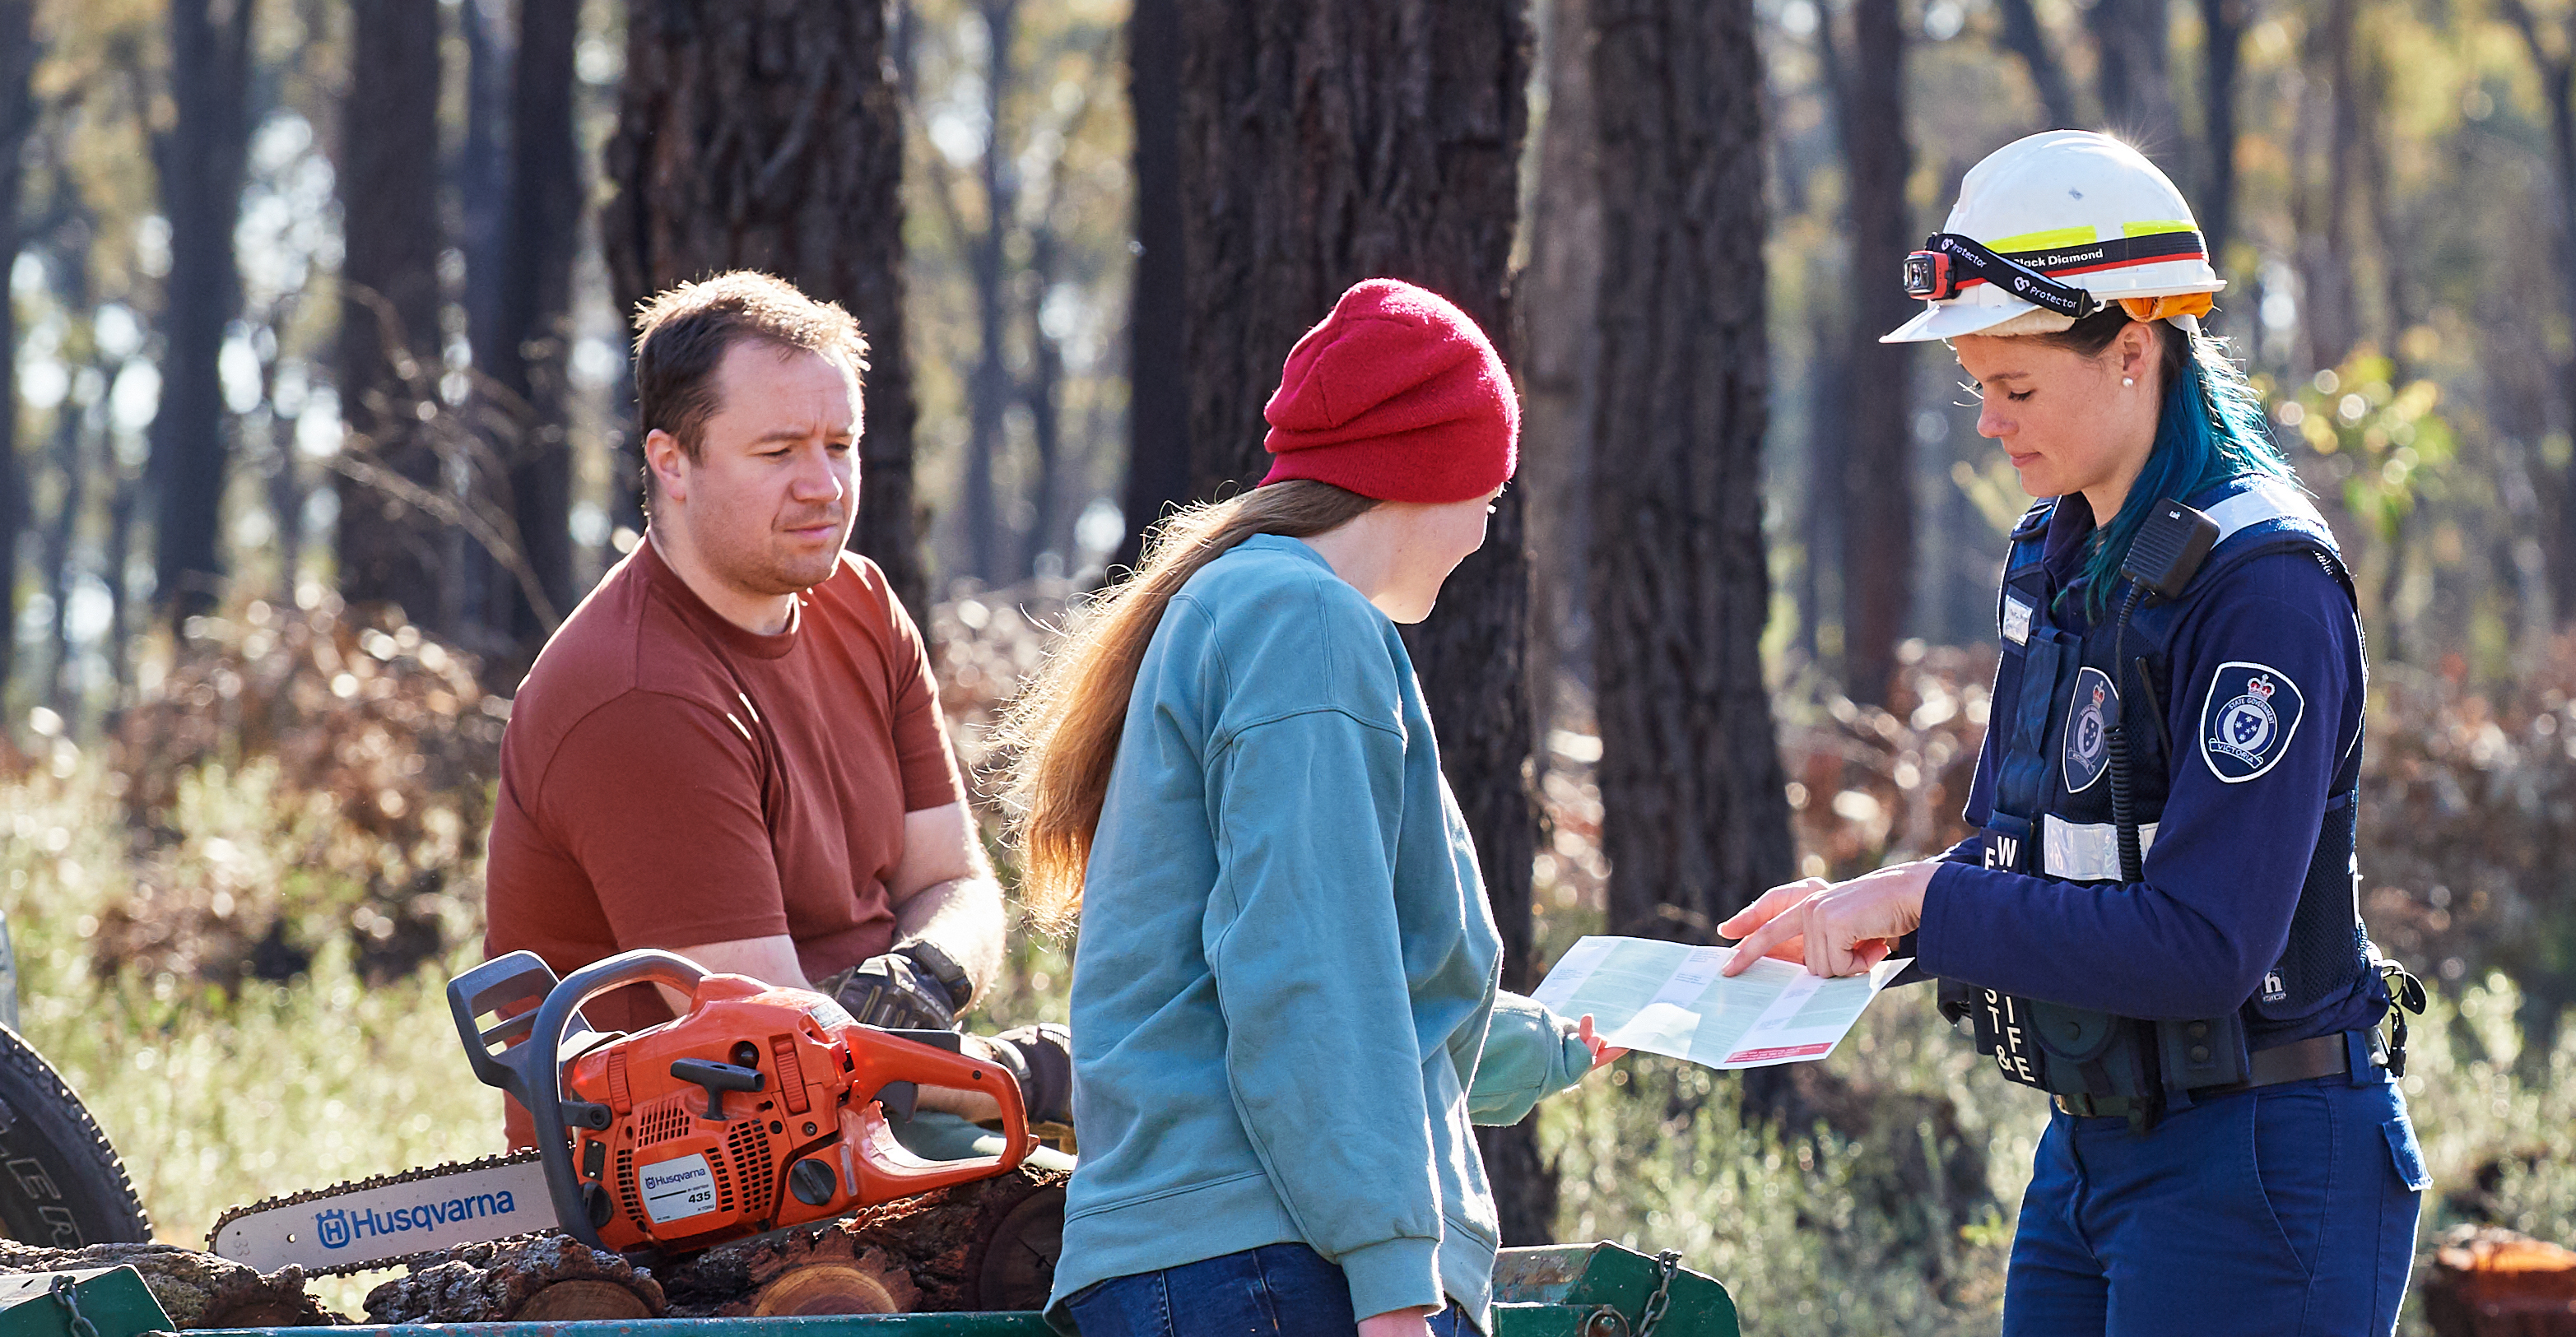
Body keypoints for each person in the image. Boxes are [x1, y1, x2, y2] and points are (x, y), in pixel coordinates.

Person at [1718, 131, 2432, 1336]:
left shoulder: (2264, 587)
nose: (1988, 424)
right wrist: (1861, 921)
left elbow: (2204, 943)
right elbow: (2028, 867)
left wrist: (1920, 903)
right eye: (1978, 386)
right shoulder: (2058, 557)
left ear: (2133, 352)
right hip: (2091, 1155)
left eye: (2017, 387)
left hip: (2259, 1165)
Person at [1002, 279, 1620, 1337]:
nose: (1484, 529)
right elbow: (1309, 967)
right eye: (1491, 494)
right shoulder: (1306, 623)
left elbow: (1316, 977)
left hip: (1220, 1260)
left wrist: (1547, 1042)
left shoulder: (1250, 604)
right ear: (1434, 470)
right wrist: (1391, 1288)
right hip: (1270, 1267)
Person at [485, 270, 1062, 1144]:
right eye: (779, 450)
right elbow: (776, 1053)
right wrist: (1023, 1075)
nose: (823, 486)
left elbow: (953, 877)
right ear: (671, 461)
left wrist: (929, 969)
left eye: (840, 444)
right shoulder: (639, 695)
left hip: (879, 1095)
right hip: (708, 1162)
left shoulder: (861, 601)